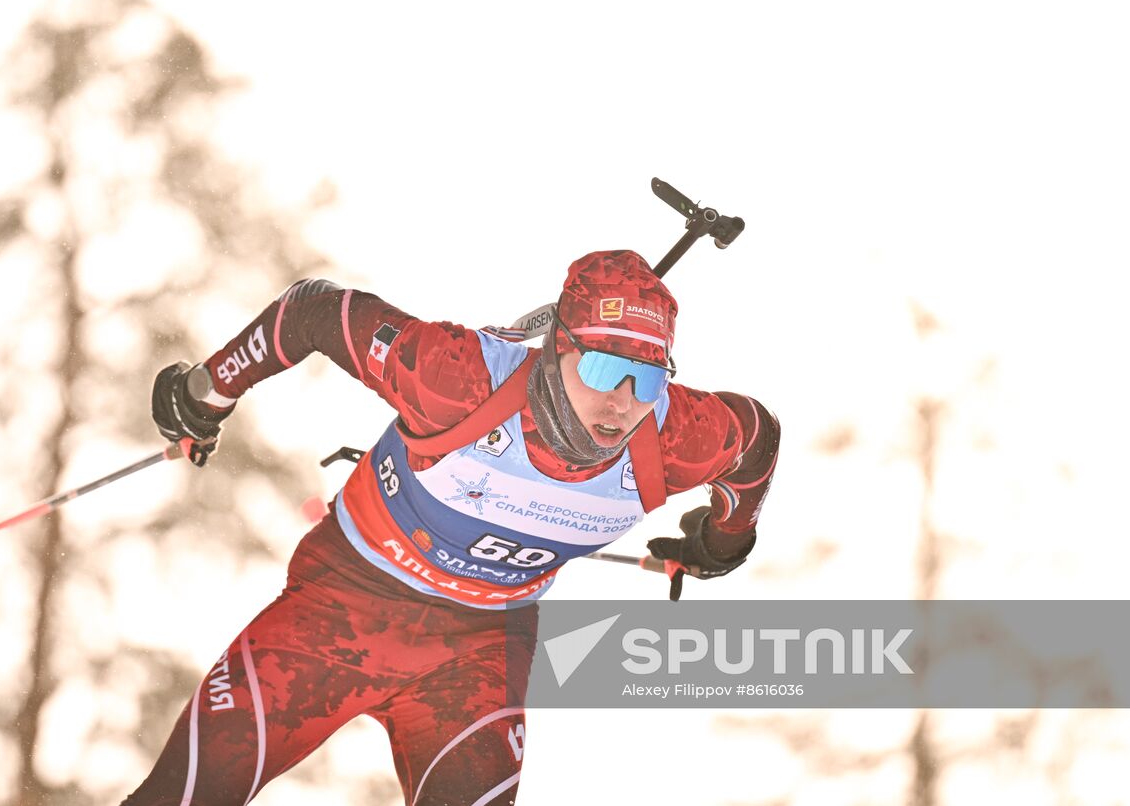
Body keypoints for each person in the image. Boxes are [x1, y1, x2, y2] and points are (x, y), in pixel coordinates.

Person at [124, 250, 780, 806]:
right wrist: (204, 394)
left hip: (476, 656)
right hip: (336, 619)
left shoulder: (675, 436)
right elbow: (314, 312)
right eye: (605, 369)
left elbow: (756, 439)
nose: (622, 402)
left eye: (646, 379)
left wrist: (722, 543)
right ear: (558, 345)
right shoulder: (455, 374)